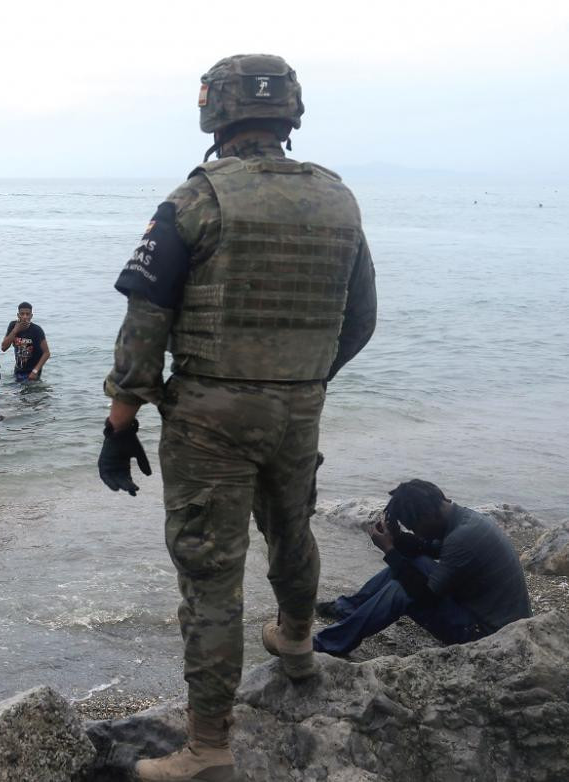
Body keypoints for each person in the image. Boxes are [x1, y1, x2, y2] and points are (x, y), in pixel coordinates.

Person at [99, 54, 377, 781]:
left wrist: (121, 418)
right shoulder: (338, 199)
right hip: (299, 405)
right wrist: (303, 377)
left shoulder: (197, 200)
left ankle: (208, 748)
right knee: (292, 525)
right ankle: (294, 641)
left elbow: (146, 321)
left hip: (210, 418)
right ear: (290, 113)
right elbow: (363, 317)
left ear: (214, 113)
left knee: (211, 578)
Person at [313, 480, 531, 657]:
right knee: (413, 563)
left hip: (490, 636)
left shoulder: (462, 538)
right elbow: (428, 548)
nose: (416, 533)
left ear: (428, 516)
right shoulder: (465, 520)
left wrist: (389, 551)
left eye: (415, 527)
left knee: (403, 590)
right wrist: (397, 539)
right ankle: (347, 609)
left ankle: (328, 642)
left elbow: (423, 596)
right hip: (491, 616)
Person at [1, 302, 51, 381]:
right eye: (22, 314)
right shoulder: (13, 326)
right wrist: (15, 330)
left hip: (32, 372)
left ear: (31, 316)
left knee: (32, 393)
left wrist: (35, 371)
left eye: (27, 314)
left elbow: (46, 353)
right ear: (18, 315)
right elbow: (4, 348)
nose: (25, 317)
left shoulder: (37, 330)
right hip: (18, 370)